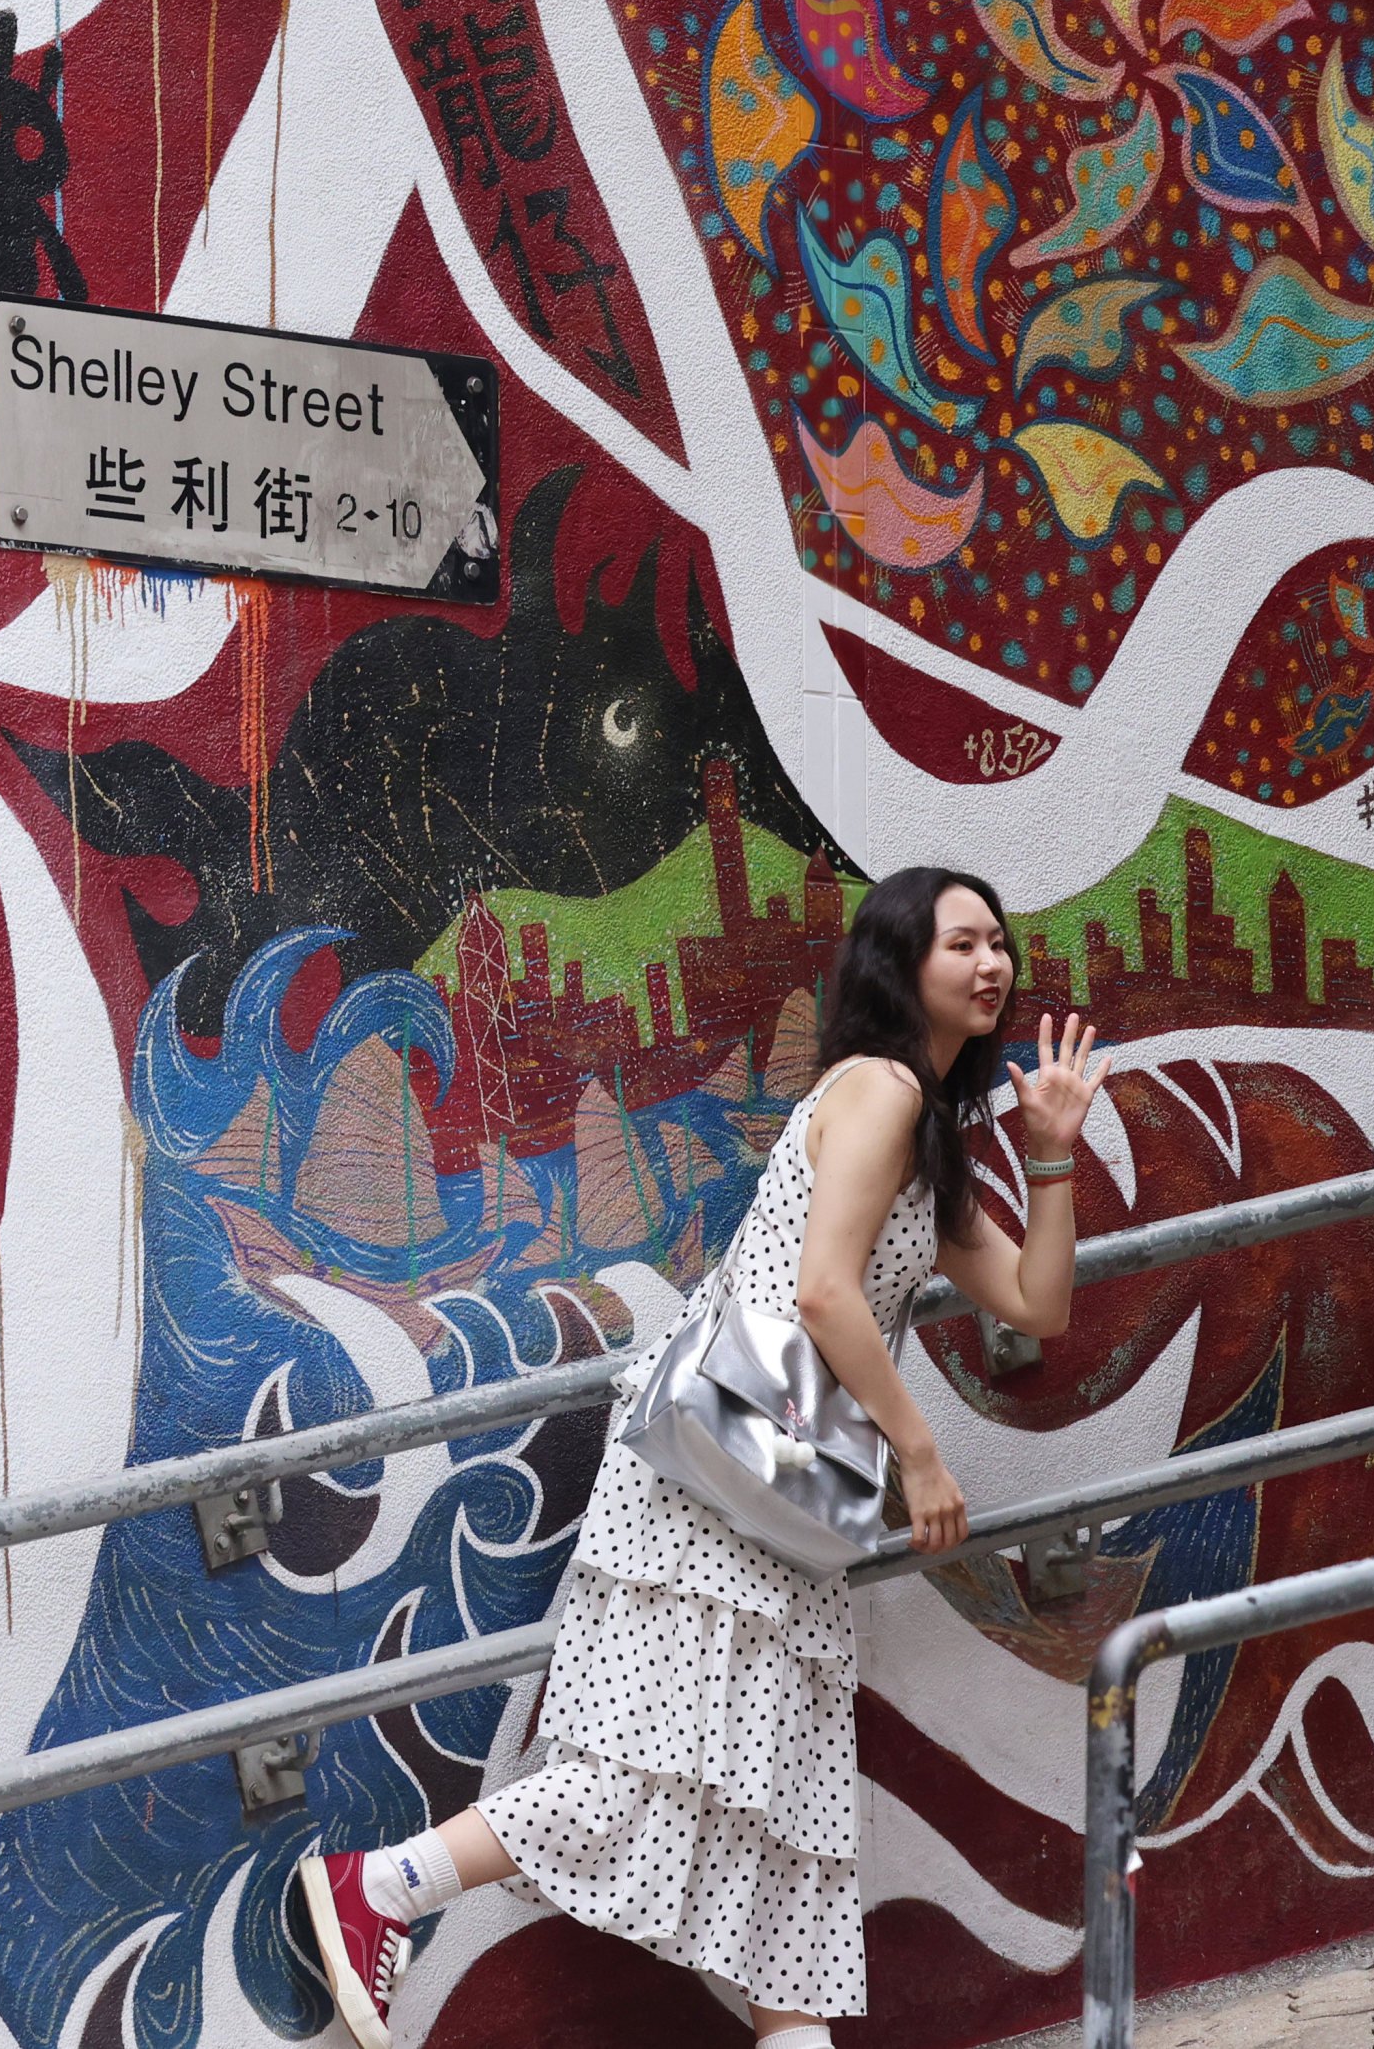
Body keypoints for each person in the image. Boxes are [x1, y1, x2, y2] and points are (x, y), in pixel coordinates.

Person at [286, 867, 1100, 2049]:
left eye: (999, 943)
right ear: (898, 963)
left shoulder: (927, 1130)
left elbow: (1040, 1299)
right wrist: (920, 1456)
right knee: (639, 1773)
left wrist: (1057, 1153)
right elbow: (824, 1291)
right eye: (962, 942)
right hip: (725, 1475)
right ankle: (383, 1886)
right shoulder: (874, 1088)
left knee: (790, 1842)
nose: (993, 964)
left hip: (783, 1493)